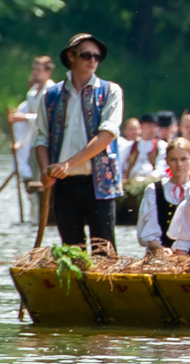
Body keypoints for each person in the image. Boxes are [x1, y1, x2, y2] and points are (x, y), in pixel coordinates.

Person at [34, 32, 124, 251]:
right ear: (71, 56)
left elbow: (107, 135)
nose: (92, 61)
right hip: (64, 184)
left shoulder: (110, 91)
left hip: (100, 183)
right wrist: (46, 170)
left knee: (104, 250)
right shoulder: (51, 95)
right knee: (72, 250)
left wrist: (69, 163)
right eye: (86, 55)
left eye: (97, 57)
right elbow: (42, 138)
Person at [137, 138, 190, 253]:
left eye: (183, 159)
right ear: (167, 161)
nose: (179, 164)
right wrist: (162, 250)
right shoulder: (155, 190)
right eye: (173, 159)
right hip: (161, 254)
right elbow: (148, 235)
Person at [9, 55, 56, 183]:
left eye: (38, 70)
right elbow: (28, 126)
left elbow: (50, 118)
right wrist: (20, 143)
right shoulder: (32, 93)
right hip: (33, 143)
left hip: (47, 143)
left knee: (44, 179)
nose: (35, 73)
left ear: (48, 72)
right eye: (33, 70)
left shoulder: (52, 91)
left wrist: (25, 117)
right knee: (32, 178)